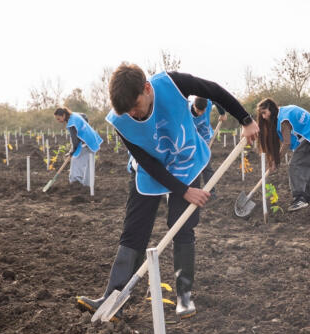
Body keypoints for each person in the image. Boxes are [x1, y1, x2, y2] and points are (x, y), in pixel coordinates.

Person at [76, 63, 258, 319]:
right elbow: (146, 161)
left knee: (181, 226)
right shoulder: (120, 120)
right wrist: (182, 191)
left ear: (147, 88)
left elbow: (214, 90)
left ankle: (184, 297)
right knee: (133, 232)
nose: (134, 115)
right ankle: (112, 298)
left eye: (136, 106)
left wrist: (246, 119)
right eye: (128, 112)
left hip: (186, 161)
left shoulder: (172, 84)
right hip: (149, 171)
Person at [255, 98, 310, 211]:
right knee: (307, 165)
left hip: (309, 134)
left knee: (295, 165)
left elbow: (286, 142)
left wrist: (276, 160)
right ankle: (307, 198)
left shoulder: (283, 119)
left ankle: (299, 199)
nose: (263, 117)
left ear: (271, 108)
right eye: (261, 114)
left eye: (264, 112)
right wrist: (274, 158)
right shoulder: (281, 114)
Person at [53, 108, 103, 187]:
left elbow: (75, 142)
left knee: (76, 161)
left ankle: (75, 184)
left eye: (59, 119)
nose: (58, 121)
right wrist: (84, 129)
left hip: (87, 143)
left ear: (63, 115)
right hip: (92, 139)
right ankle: (88, 186)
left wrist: (71, 152)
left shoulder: (71, 123)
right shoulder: (74, 115)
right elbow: (85, 116)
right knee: (89, 164)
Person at [190, 96, 226, 188]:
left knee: (206, 165)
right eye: (198, 111)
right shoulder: (186, 111)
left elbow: (217, 98)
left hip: (204, 136)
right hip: (192, 138)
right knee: (195, 166)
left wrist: (222, 113)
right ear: (194, 106)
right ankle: (196, 190)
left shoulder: (208, 103)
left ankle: (210, 192)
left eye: (203, 111)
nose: (200, 113)